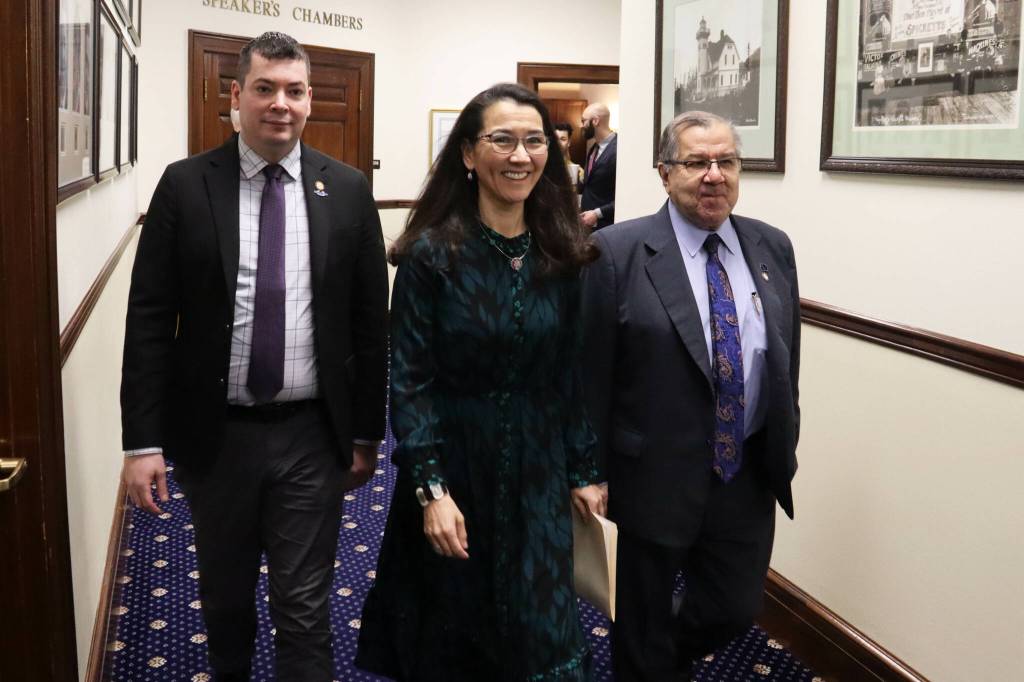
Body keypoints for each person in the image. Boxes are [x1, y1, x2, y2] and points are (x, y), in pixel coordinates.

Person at [120, 31, 388, 682]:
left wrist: (366, 433)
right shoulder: (185, 185)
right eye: (265, 88)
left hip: (310, 434)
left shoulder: (347, 189)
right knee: (226, 601)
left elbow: (369, 323)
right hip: (218, 437)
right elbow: (149, 319)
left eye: (295, 91)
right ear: (236, 95)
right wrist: (142, 442)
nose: (280, 104)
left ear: (310, 99)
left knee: (303, 609)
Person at [355, 82, 607, 681]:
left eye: (534, 141)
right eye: (502, 140)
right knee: (456, 636)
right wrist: (431, 492)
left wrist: (584, 468)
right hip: (456, 469)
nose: (520, 156)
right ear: (469, 153)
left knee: (541, 631)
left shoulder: (561, 251)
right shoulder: (430, 256)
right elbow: (410, 385)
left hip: (539, 473)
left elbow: (568, 373)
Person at [582, 111, 800, 681]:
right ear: (664, 173)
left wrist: (784, 438)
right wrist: (587, 470)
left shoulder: (771, 247)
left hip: (743, 472)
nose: (714, 175)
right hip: (650, 473)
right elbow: (588, 372)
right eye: (696, 162)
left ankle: (655, 657)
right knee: (642, 618)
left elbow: (785, 356)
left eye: (726, 161)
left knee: (733, 608)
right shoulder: (616, 252)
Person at [579, 102, 617, 230]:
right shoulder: (594, 148)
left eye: (583, 121)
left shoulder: (619, 150)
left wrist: (597, 213)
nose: (581, 125)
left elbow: (624, 195)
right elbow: (591, 184)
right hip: (587, 226)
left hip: (606, 227)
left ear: (595, 121)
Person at [554, 121, 583, 191]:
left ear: (569, 142)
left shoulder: (579, 171)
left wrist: (578, 183)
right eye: (555, 139)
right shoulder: (541, 166)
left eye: (563, 139)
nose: (558, 143)